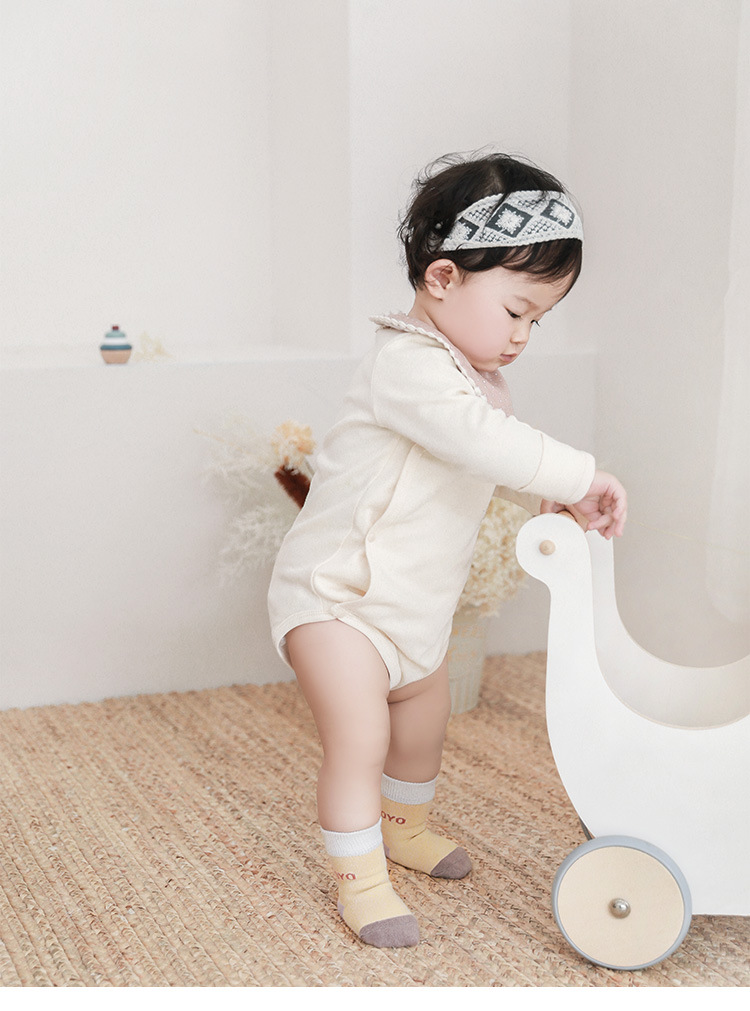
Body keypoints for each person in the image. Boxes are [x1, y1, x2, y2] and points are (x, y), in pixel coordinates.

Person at [267, 152, 627, 948]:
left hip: (412, 604)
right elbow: (478, 440)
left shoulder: (472, 378)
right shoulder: (406, 365)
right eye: (516, 309)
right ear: (442, 278)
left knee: (423, 720)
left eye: (538, 320)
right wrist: (580, 473)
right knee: (361, 737)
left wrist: (547, 496)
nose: (523, 335)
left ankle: (404, 826)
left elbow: (478, 464)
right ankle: (360, 878)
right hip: (337, 599)